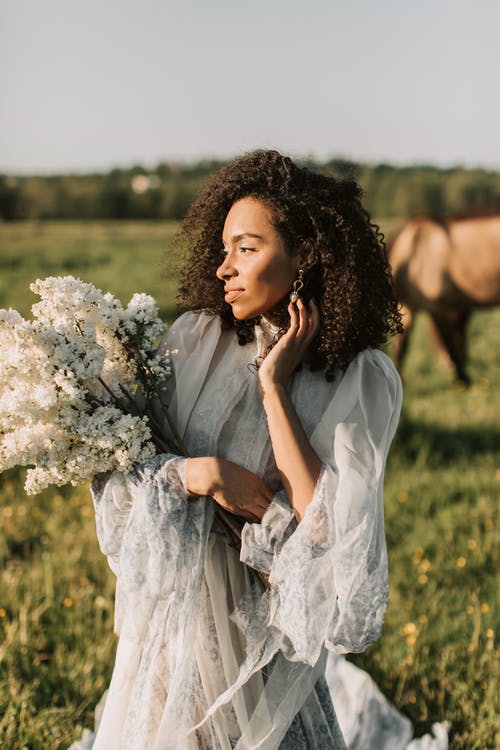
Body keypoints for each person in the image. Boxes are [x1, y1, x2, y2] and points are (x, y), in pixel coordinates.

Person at [81, 149, 404, 749]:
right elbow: (124, 472)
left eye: (247, 248)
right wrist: (198, 474)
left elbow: (330, 535)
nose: (225, 267)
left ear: (305, 254)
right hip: (178, 630)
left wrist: (274, 386)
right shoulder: (194, 340)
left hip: (268, 645)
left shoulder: (362, 379)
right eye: (224, 247)